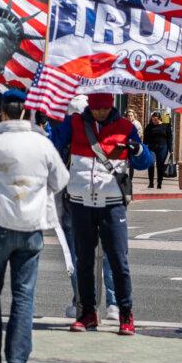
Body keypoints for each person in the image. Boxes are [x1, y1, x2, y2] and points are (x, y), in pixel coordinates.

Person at [0, 89, 69, 363]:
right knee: (24, 293)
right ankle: (17, 356)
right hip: (31, 226)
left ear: (2, 113)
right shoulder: (42, 144)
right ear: (26, 112)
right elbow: (61, 180)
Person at [50, 93, 152, 336]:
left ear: (111, 106)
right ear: (90, 107)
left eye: (104, 108)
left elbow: (145, 162)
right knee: (83, 261)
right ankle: (87, 313)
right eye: (96, 109)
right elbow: (53, 145)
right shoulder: (74, 123)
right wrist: (46, 122)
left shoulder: (125, 127)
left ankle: (125, 313)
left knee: (118, 260)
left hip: (112, 203)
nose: (100, 113)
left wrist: (137, 149)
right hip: (80, 202)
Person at [143, 112, 172, 189]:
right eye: (152, 119)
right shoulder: (149, 126)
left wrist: (170, 149)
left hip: (162, 147)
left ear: (159, 119)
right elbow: (145, 137)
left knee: (160, 165)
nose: (154, 121)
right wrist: (144, 146)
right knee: (151, 163)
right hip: (151, 147)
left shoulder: (166, 126)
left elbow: (169, 138)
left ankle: (159, 183)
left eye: (155, 120)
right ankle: (151, 183)